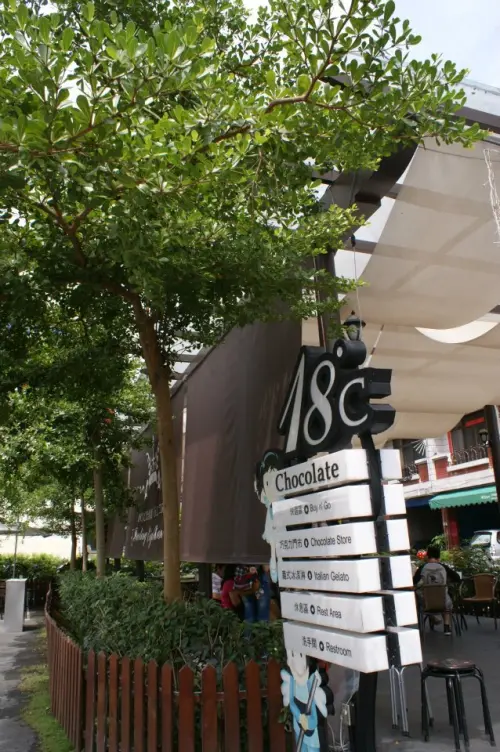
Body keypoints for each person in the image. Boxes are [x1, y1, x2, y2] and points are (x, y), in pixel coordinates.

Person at [413, 544, 461, 635]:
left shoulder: (422, 568)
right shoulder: (444, 568)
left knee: (419, 593)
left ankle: (434, 617)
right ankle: (446, 627)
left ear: (427, 557)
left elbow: (414, 582)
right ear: (438, 558)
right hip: (443, 602)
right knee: (446, 598)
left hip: (427, 603)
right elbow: (457, 578)